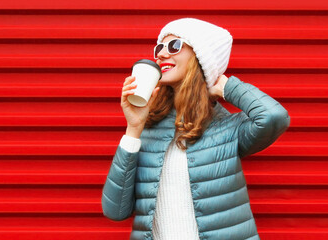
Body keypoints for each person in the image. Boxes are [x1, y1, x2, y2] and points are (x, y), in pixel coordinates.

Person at [102, 18, 290, 240]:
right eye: (159, 47)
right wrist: (133, 129)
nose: (161, 54)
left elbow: (273, 117)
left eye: (174, 46)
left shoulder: (227, 129)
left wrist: (227, 87)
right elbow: (115, 211)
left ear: (201, 58)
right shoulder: (147, 127)